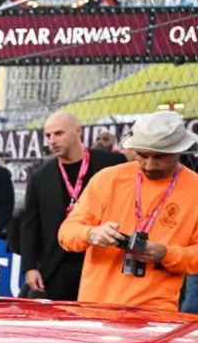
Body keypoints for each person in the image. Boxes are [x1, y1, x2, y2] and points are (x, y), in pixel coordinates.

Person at [58, 111, 198, 311]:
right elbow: (66, 232)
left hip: (155, 312)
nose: (149, 164)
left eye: (160, 157)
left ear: (178, 151)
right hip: (96, 307)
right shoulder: (109, 179)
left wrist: (166, 254)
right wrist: (91, 234)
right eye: (142, 155)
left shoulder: (194, 189)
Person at [20, 112, 126, 301]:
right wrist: (29, 267)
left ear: (78, 131)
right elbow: (30, 224)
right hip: (59, 265)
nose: (52, 141)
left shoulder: (112, 164)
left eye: (59, 133)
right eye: (48, 135)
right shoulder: (40, 177)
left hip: (105, 261)